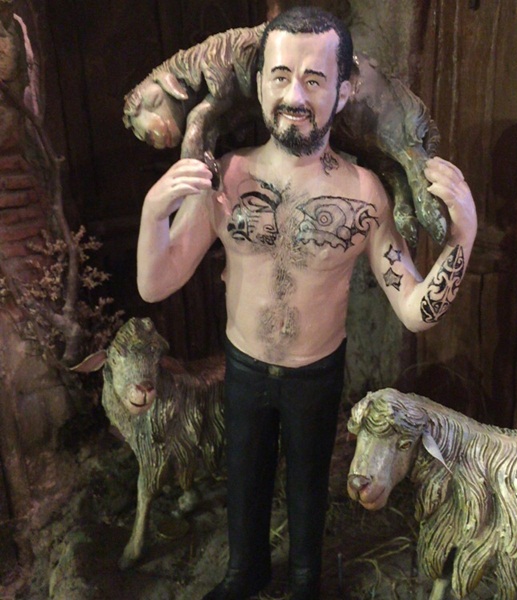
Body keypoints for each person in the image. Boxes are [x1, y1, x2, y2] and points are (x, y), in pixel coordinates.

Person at [136, 7, 477, 599]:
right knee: (243, 473)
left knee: (310, 480)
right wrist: (151, 214)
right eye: (280, 76)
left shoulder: (364, 193)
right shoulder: (227, 178)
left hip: (316, 374)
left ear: (343, 92)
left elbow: (414, 310)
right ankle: (244, 572)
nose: (295, 95)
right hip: (243, 368)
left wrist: (462, 240)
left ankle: (304, 579)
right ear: (259, 83)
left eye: (314, 79)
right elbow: (156, 284)